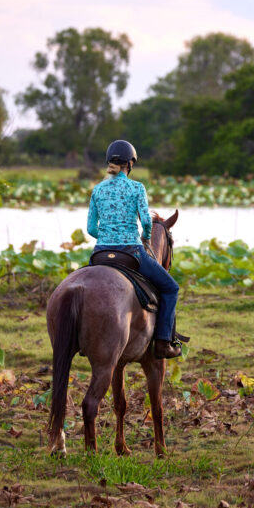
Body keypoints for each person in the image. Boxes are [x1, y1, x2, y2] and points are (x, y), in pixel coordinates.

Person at [87, 139, 181, 359]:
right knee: (171, 288)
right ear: (130, 164)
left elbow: (91, 228)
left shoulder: (98, 189)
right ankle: (163, 342)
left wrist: (108, 237)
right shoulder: (137, 188)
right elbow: (147, 222)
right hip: (131, 252)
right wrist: (146, 237)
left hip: (100, 254)